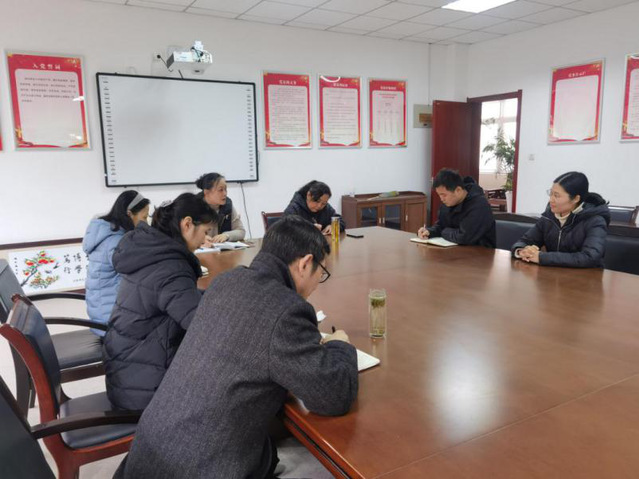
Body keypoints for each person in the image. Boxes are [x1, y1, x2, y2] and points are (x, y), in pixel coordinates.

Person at [115, 215, 358, 479]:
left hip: (146, 458)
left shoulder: (225, 281)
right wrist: (339, 345)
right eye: (321, 273)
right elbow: (334, 396)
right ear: (305, 263)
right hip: (199, 469)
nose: (318, 283)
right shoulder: (287, 310)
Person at [103, 193, 217, 410]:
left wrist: (215, 298)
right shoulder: (171, 268)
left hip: (126, 371)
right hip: (144, 390)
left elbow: (177, 300)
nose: (205, 240)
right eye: (205, 232)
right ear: (187, 224)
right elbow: (203, 327)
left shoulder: (150, 251)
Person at [83, 191, 150, 337]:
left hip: (101, 314)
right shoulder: (115, 242)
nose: (146, 223)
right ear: (129, 214)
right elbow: (136, 273)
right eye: (144, 217)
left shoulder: (107, 234)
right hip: (111, 323)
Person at [511, 171, 610, 268]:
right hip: (554, 274)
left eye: (556, 195)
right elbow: (525, 241)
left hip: (587, 277)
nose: (551, 200)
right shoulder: (549, 217)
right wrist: (522, 251)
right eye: (551, 193)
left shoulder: (595, 221)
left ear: (576, 199)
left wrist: (541, 257)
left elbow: (589, 257)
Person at [418, 168, 496, 247]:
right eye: (439, 195)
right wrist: (429, 232)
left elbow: (464, 237)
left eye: (444, 195)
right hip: (454, 250)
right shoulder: (448, 203)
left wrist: (444, 231)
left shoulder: (479, 205)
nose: (441, 199)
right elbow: (441, 226)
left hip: (480, 252)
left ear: (458, 190)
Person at [196, 172, 245, 244]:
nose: (225, 193)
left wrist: (226, 235)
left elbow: (241, 231)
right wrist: (200, 238)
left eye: (225, 189)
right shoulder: (194, 206)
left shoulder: (227, 206)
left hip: (221, 249)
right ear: (206, 192)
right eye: (220, 190)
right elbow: (184, 234)